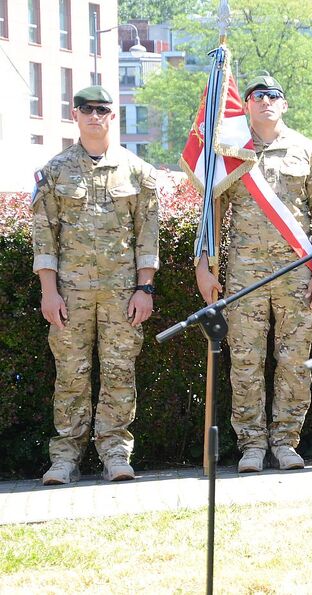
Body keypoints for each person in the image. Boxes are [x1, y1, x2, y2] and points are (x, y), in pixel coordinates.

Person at [195, 74, 312, 473]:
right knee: (245, 361)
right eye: (257, 95)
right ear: (248, 105)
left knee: (294, 362)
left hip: (298, 274)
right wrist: (203, 266)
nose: (265, 101)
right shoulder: (228, 153)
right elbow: (212, 215)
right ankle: (252, 446)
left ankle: (287, 443)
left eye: (274, 95)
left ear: (284, 104)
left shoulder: (310, 152)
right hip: (244, 275)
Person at [32, 85, 159, 485]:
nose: (94, 116)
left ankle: (116, 454)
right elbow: (44, 235)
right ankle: (65, 458)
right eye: (86, 109)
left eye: (101, 109)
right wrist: (48, 291)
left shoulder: (137, 171)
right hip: (70, 294)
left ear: (112, 116)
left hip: (123, 294)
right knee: (70, 375)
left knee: (120, 373)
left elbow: (147, 237)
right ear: (75, 115)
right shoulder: (55, 171)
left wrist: (146, 288)